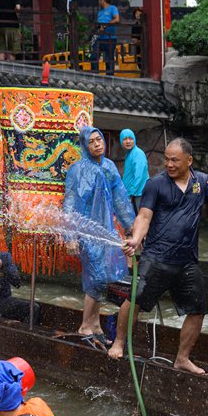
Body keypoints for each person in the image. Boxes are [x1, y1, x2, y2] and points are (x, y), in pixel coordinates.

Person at [107, 138, 208, 372]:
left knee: (198, 310)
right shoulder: (155, 184)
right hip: (156, 258)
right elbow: (144, 216)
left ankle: (182, 359)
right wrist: (135, 239)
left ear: (189, 160)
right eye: (166, 159)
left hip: (186, 261)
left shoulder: (202, 182)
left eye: (174, 160)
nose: (169, 164)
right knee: (134, 299)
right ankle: (119, 342)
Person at [63, 127, 134, 343]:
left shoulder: (109, 166)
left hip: (106, 232)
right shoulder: (77, 171)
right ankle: (85, 325)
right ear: (85, 145)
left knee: (104, 276)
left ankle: (95, 324)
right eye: (92, 141)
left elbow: (121, 200)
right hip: (86, 233)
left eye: (99, 140)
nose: (97, 144)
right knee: (96, 274)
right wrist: (70, 236)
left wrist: (132, 228)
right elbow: (70, 204)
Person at [118, 128, 149, 212]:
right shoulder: (129, 154)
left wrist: (131, 193)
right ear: (121, 141)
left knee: (141, 220)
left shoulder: (138, 153)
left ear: (134, 140)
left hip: (138, 194)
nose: (128, 141)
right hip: (131, 194)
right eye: (125, 139)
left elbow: (139, 175)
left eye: (130, 138)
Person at [92, 0, 120, 75]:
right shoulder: (100, 12)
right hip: (100, 38)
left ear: (103, 0)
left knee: (108, 59)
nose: (98, 2)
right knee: (93, 56)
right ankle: (95, 75)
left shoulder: (113, 8)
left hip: (110, 38)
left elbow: (117, 19)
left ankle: (109, 78)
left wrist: (105, 26)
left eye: (99, 0)